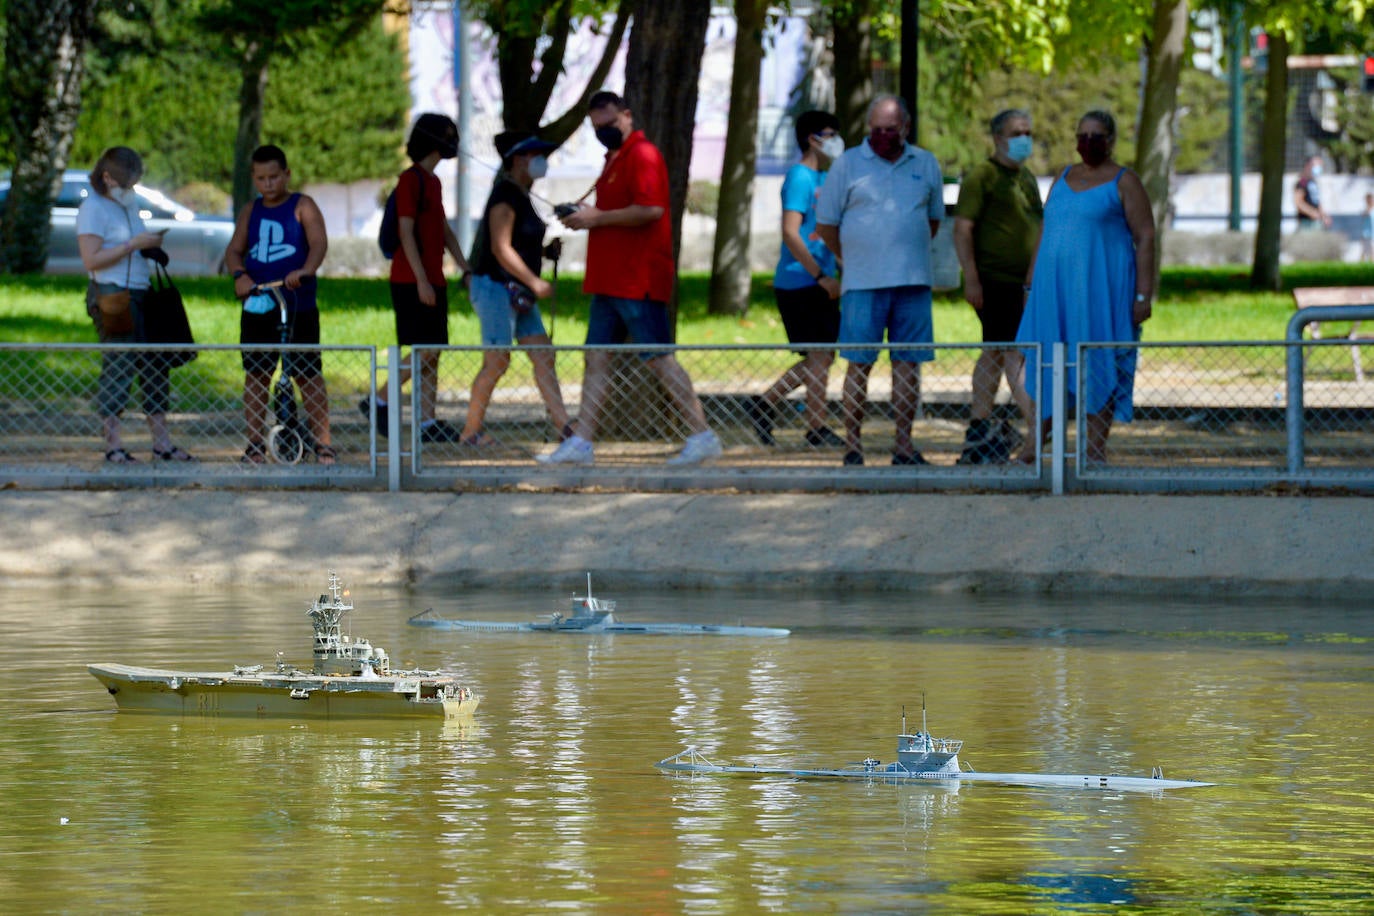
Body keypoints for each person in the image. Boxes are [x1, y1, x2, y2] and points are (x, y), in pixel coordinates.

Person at [543, 90, 722, 466]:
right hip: (609, 278)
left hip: (637, 277)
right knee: (595, 358)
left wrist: (596, 218)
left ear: (626, 115)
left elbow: (651, 209)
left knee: (659, 358)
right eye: (596, 127)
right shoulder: (614, 158)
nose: (602, 131)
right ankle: (583, 441)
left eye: (608, 124)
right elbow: (613, 210)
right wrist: (584, 214)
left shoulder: (642, 155)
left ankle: (702, 434)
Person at [1015, 110, 1155, 464]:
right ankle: (1036, 441)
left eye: (1097, 135)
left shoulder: (1125, 181)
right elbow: (1046, 230)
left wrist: (1143, 294)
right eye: (1082, 134)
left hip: (1099, 292)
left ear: (1111, 140)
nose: (1088, 142)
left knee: (1098, 359)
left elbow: (1145, 236)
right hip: (1053, 291)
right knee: (1046, 359)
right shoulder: (1063, 176)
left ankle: (1094, 449)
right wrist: (1030, 282)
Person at [815, 94, 944, 467]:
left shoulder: (926, 163)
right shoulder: (848, 165)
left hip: (913, 282)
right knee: (858, 363)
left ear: (905, 127)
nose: (883, 136)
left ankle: (903, 444)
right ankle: (852, 446)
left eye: (890, 129)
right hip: (862, 284)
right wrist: (850, 258)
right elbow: (826, 224)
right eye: (876, 130)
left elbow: (932, 221)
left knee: (908, 364)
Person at [76, 146, 193, 464]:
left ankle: (161, 443)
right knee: (120, 365)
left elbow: (131, 244)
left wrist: (148, 245)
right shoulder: (93, 207)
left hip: (143, 292)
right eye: (127, 183)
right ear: (107, 177)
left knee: (156, 365)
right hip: (112, 293)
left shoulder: (127, 206)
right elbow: (91, 258)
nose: (131, 190)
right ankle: (113, 445)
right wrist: (132, 245)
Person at [364, 113, 473, 442]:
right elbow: (406, 232)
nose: (454, 141)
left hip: (433, 278)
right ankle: (378, 399)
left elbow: (443, 230)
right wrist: (422, 280)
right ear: (434, 140)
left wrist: (464, 267)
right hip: (410, 280)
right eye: (448, 135)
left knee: (434, 351)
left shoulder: (434, 182)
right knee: (425, 349)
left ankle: (427, 422)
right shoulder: (411, 180)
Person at [459, 130, 571, 447]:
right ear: (519, 160)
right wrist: (535, 281)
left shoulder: (521, 195)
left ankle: (564, 427)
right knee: (497, 361)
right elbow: (500, 248)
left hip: (518, 293)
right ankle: (471, 431)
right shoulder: (505, 196)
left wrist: (546, 252)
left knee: (542, 355)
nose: (542, 161)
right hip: (496, 288)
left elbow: (519, 245)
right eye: (535, 155)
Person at [224, 144, 333, 465]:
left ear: (286, 174)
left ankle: (323, 443)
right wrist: (239, 275)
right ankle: (255, 444)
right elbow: (233, 251)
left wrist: (306, 270)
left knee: (307, 373)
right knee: (257, 374)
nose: (268, 184)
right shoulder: (251, 210)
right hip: (259, 302)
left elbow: (319, 243)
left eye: (274, 176)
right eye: (261, 178)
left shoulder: (303, 206)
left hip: (297, 304)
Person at [748, 109, 846, 449]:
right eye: (829, 134)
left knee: (823, 355)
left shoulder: (824, 180)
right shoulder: (800, 177)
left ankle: (766, 404)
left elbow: (821, 231)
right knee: (820, 355)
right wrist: (820, 276)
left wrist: (839, 263)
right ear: (812, 138)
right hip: (800, 281)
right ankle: (814, 426)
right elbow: (791, 232)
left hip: (822, 279)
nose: (835, 141)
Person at [952, 108, 1042, 464]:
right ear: (999, 137)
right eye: (1017, 132)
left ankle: (980, 422)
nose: (1024, 138)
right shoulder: (982, 176)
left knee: (993, 351)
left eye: (1028, 131)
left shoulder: (1026, 178)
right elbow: (962, 229)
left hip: (1025, 283)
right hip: (995, 280)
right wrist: (971, 277)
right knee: (1011, 352)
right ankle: (1037, 425)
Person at [1294, 155, 1331, 230]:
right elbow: (1298, 202)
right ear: (1308, 166)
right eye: (1316, 165)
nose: (1319, 168)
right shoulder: (1302, 182)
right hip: (1306, 222)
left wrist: (1324, 216)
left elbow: (1317, 202)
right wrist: (1312, 212)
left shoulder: (1313, 182)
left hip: (1316, 222)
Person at [1361, 192, 1373, 262]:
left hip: (1371, 234)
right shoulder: (1366, 210)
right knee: (1365, 252)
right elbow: (1365, 214)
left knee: (1371, 252)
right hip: (1367, 234)